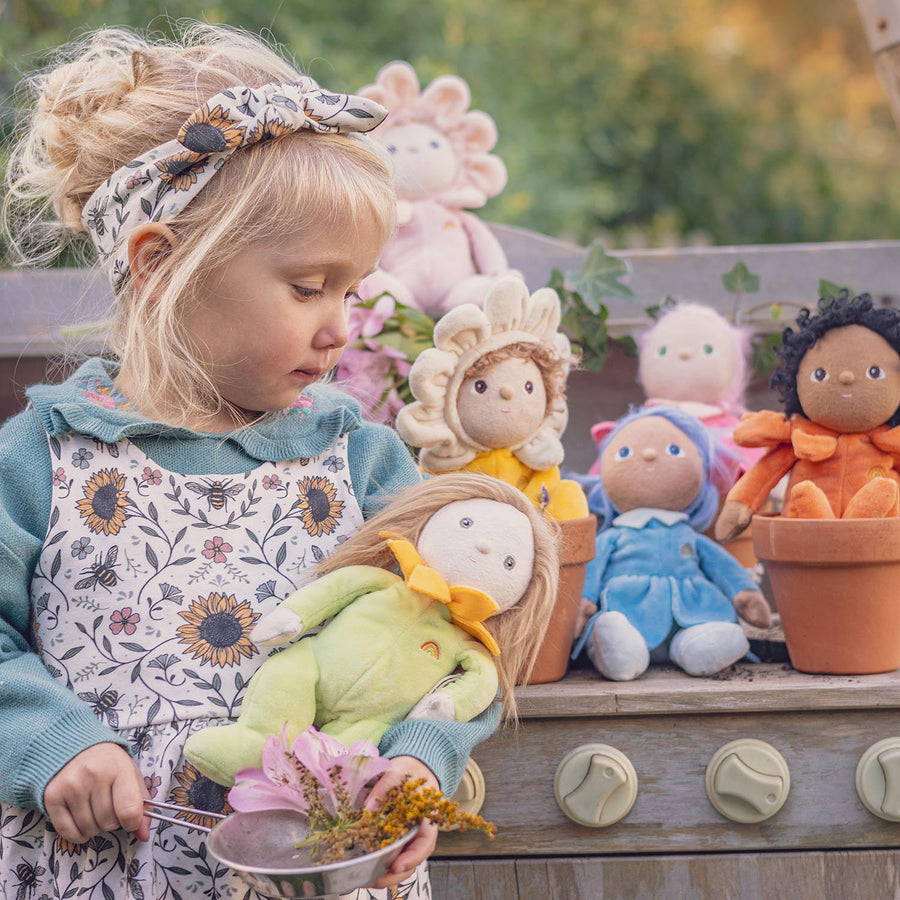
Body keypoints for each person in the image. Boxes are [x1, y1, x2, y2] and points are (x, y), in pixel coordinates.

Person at [0, 23, 498, 899]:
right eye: (309, 287)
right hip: (102, 874)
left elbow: (454, 635)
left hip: (331, 873)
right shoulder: (44, 460)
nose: (340, 325)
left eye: (351, 290)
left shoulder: (362, 462)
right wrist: (51, 741)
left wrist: (420, 761)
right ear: (161, 266)